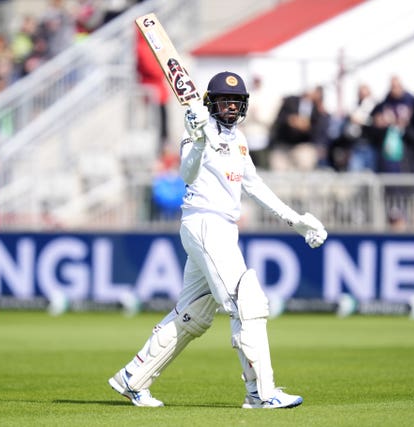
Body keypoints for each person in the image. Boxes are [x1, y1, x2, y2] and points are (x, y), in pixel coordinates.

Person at [108, 71, 328, 409]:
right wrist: (197, 140)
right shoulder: (198, 129)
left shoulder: (239, 140)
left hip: (223, 228)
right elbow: (186, 173)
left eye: (236, 102)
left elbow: (254, 185)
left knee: (194, 313)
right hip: (204, 223)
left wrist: (294, 220)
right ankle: (261, 393)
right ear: (211, 103)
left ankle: (132, 379)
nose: (230, 108)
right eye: (225, 102)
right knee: (247, 303)